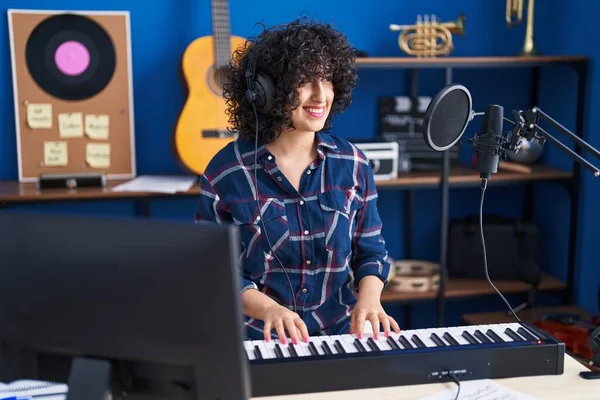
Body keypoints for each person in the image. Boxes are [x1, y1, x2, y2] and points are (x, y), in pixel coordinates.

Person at [194, 18, 400, 345]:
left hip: (340, 335)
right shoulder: (226, 172)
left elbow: (372, 252)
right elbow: (216, 274)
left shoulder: (354, 164)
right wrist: (270, 311)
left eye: (328, 80)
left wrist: (369, 300)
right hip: (258, 340)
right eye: (305, 81)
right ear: (267, 90)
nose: (321, 95)